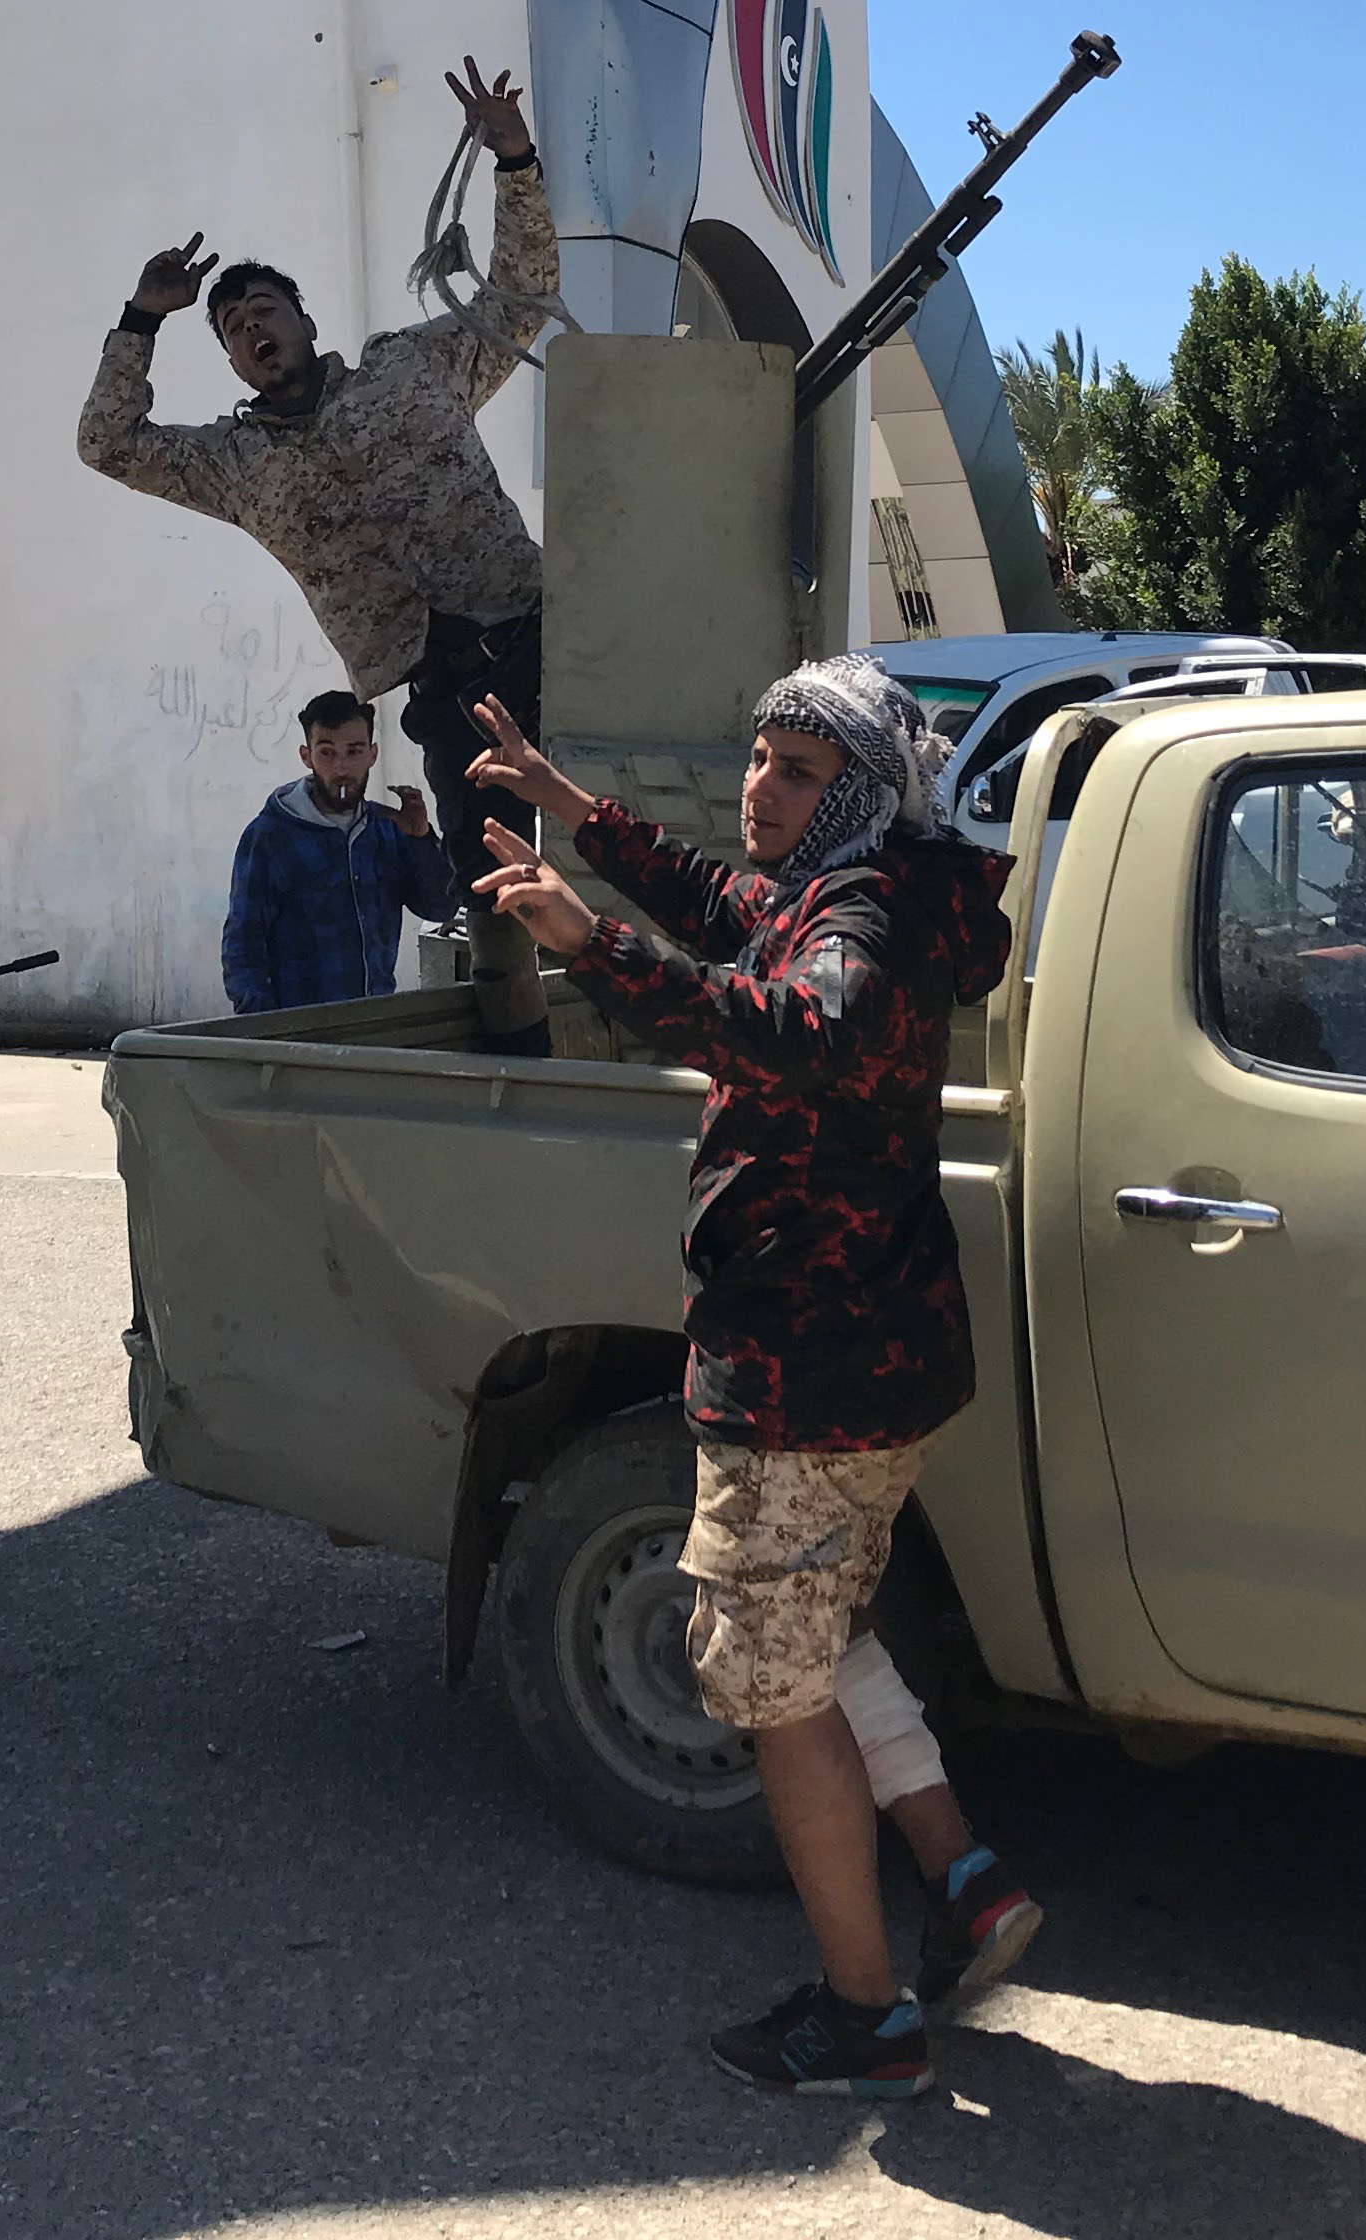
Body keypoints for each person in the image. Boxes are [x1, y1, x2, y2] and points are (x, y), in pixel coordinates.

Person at [466, 658, 1044, 2099]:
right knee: (826, 1636)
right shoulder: (861, 878)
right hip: (865, 1356)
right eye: (758, 756)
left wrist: (588, 946)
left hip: (807, 1370)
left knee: (780, 1694)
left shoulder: (863, 914)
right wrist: (570, 807)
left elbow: (796, 1030)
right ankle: (960, 1878)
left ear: (851, 791)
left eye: (794, 770)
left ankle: (867, 2017)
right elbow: (731, 912)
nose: (758, 789)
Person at [77, 57, 559, 1054]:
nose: (251, 329)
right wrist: (140, 319)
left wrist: (513, 158)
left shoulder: (412, 366)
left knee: (609, 835)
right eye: (233, 327)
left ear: (306, 323)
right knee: (493, 880)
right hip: (440, 687)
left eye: (264, 312)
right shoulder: (233, 463)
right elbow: (107, 444)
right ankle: (525, 1058)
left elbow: (518, 299)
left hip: (539, 640)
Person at [224, 688, 457, 1014]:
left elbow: (442, 908)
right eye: (327, 753)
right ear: (307, 756)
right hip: (299, 1035)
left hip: (373, 1027)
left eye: (353, 751)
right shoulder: (270, 837)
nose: (341, 767)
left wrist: (421, 837)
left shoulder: (387, 828)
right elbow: (243, 946)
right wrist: (265, 1029)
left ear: (372, 755)